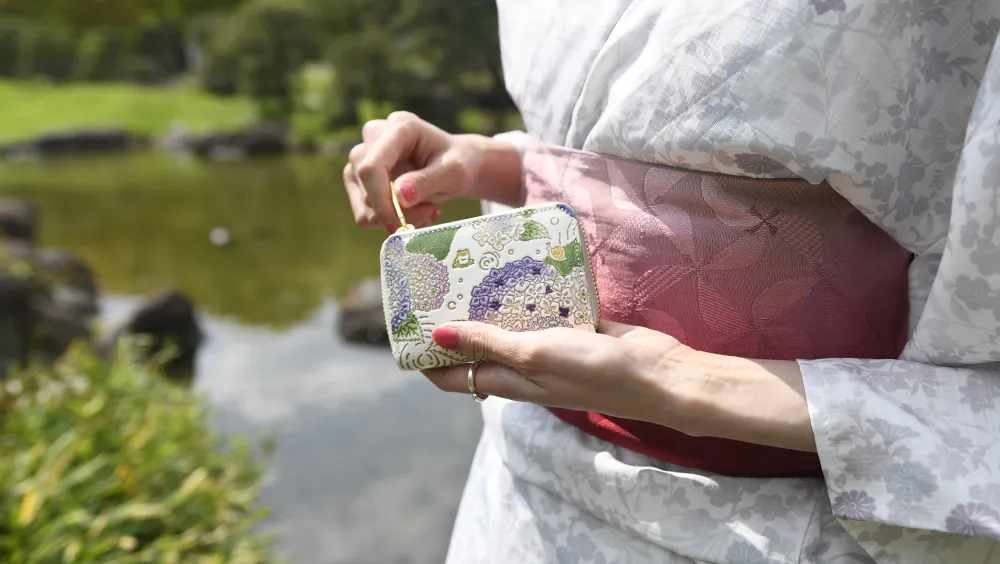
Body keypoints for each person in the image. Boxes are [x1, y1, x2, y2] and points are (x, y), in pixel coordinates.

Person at [344, 1, 1000, 562]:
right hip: (521, 483)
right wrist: (495, 161)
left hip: (773, 521)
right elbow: (617, 138)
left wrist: (679, 380)